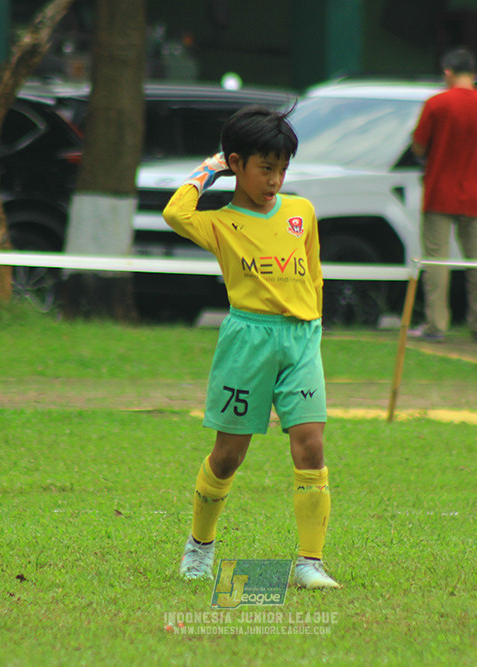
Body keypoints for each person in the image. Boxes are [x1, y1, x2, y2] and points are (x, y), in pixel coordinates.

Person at [162, 105, 339, 590]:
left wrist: (315, 325)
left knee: (311, 446)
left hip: (301, 339)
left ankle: (309, 562)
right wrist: (209, 168)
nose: (276, 179)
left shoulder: (301, 212)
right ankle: (199, 548)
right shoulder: (220, 223)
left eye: (283, 168)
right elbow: (174, 213)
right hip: (248, 341)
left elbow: (315, 272)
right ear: (237, 164)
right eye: (266, 168)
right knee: (228, 455)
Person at [409, 46, 477, 343]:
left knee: (437, 260)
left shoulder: (437, 104)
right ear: (474, 74)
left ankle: (437, 324)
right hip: (475, 193)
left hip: (439, 190)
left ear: (448, 72)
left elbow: (419, 146)